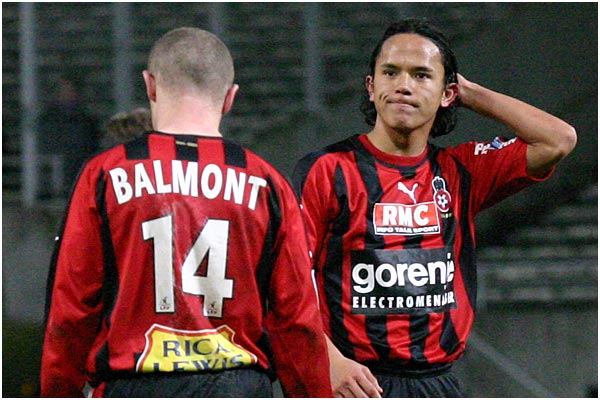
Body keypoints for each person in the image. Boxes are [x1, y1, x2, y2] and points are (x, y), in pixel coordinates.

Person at [41, 27, 332, 398]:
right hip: (238, 386)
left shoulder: (106, 174)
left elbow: (71, 309)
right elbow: (298, 319)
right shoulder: (268, 183)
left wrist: (58, 391)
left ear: (150, 86)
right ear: (230, 98)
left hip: (136, 384)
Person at [292, 19, 576, 398]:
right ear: (371, 86)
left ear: (448, 93)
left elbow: (558, 139)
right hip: (350, 379)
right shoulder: (328, 170)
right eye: (390, 72)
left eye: (421, 75)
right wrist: (327, 360)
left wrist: (469, 92)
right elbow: (289, 279)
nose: (403, 85)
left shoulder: (461, 171)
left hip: (436, 383)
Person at [38, 75, 99, 197]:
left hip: (79, 164)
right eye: (63, 90)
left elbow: (90, 144)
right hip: (58, 165)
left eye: (69, 90)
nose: (66, 94)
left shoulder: (86, 120)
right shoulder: (48, 118)